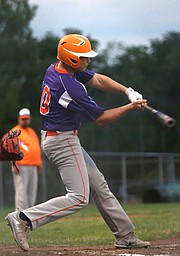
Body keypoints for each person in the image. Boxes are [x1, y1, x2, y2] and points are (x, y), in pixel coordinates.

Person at [5, 34, 150, 251]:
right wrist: (130, 107)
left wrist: (127, 91)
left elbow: (99, 80)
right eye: (84, 57)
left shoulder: (56, 68)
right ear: (72, 59)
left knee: (99, 185)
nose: (88, 61)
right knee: (79, 198)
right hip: (62, 141)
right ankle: (24, 218)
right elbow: (100, 119)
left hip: (60, 137)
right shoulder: (70, 88)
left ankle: (125, 236)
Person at [11, 108, 42, 210]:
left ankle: (29, 218)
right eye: (23, 119)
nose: (25, 121)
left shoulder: (31, 132)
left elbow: (36, 148)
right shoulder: (15, 131)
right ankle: (19, 217)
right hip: (21, 165)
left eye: (27, 119)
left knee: (31, 193)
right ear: (19, 119)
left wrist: (39, 164)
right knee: (21, 193)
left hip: (33, 166)